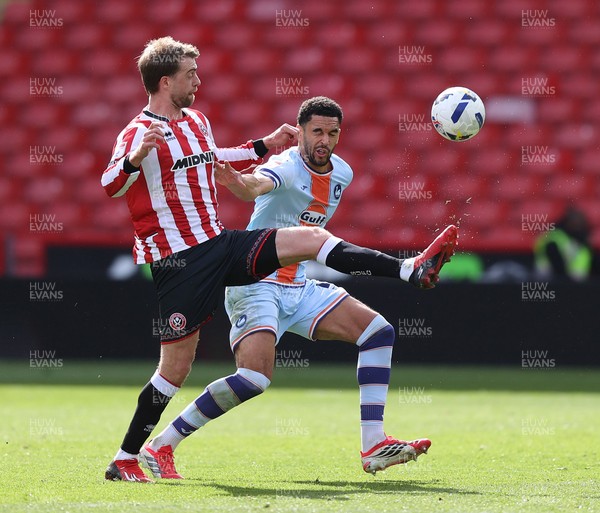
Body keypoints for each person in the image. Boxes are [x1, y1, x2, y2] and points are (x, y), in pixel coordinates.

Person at [101, 37, 457, 482]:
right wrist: (134, 160)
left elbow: (212, 157)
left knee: (311, 241)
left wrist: (260, 144)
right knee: (176, 368)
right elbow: (111, 183)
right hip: (179, 260)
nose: (199, 79)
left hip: (220, 243)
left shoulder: (196, 120)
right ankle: (126, 457)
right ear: (165, 79)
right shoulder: (137, 131)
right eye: (191, 73)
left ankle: (408, 270)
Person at [534, 206, 592, 281]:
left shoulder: (583, 241)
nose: (577, 224)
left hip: (575, 280)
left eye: (579, 221)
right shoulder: (554, 235)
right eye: (574, 221)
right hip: (548, 277)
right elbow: (552, 254)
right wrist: (563, 276)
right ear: (567, 222)